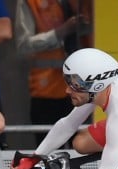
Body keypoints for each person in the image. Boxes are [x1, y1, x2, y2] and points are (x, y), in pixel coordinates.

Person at [16, 0, 90, 131]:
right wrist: (60, 32)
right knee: (48, 148)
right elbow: (23, 46)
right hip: (46, 93)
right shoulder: (31, 2)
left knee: (83, 147)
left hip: (84, 89)